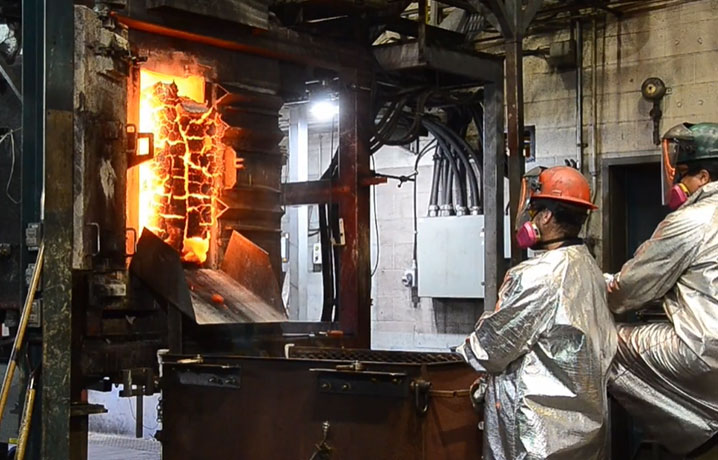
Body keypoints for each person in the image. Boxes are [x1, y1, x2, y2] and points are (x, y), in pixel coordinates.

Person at [457, 166, 617, 460]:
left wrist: (470, 343)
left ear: (544, 217)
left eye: (532, 210)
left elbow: (488, 350)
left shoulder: (537, 275)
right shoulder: (588, 267)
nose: (526, 218)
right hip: (585, 435)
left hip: (537, 439)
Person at [606, 122, 718, 456]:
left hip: (707, 350)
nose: (677, 183)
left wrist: (597, 284)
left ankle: (695, 433)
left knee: (601, 344)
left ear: (702, 178)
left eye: (682, 174)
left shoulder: (691, 219)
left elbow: (627, 292)